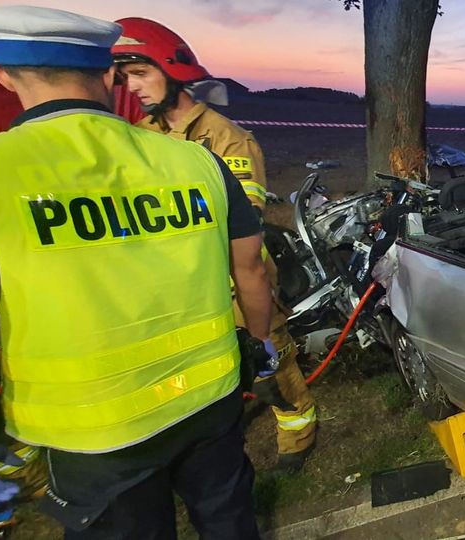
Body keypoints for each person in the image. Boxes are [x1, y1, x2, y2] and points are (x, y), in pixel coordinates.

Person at [0, 6, 274, 538]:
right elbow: (251, 268)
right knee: (229, 523)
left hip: (93, 433)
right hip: (208, 397)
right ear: (108, 74)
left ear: (0, 74)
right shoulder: (193, 162)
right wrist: (259, 343)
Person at [112, 18, 318, 471]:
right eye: (126, 77)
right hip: (176, 281)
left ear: (172, 71)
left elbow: (244, 220)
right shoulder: (138, 136)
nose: (134, 87)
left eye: (141, 73)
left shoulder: (227, 138)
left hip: (236, 278)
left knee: (270, 358)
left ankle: (296, 427)